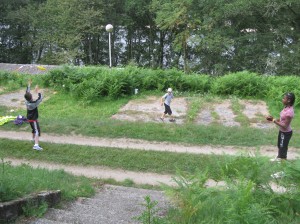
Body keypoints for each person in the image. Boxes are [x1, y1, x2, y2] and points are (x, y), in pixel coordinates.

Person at [266, 92, 295, 161]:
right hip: (282, 131)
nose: (282, 99)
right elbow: (282, 119)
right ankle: (279, 158)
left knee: (283, 148)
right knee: (280, 146)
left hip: (286, 133)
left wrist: (273, 120)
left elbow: (285, 125)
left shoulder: (289, 112)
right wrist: (274, 119)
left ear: (289, 100)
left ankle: (283, 164)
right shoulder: (286, 107)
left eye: (284, 98)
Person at [24, 79, 43, 150]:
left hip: (29, 118)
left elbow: (27, 92)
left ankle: (33, 139)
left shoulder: (26, 100)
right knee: (36, 130)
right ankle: (36, 145)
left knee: (33, 129)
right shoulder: (33, 104)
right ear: (31, 97)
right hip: (33, 119)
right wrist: (38, 91)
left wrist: (29, 84)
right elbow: (40, 98)